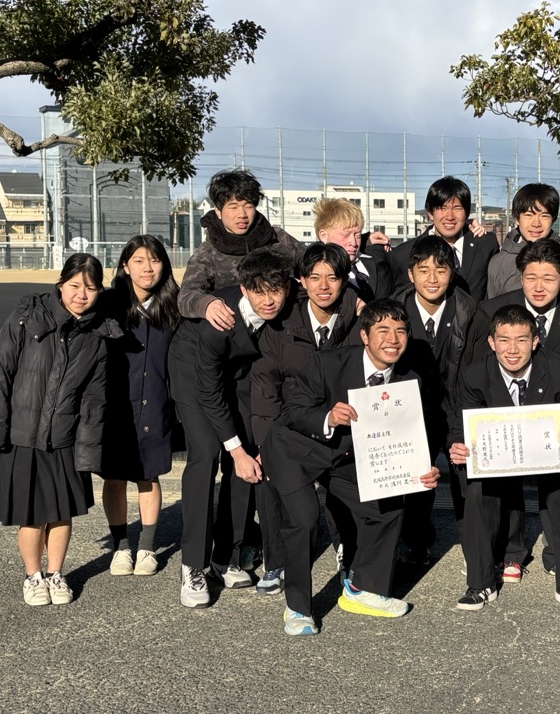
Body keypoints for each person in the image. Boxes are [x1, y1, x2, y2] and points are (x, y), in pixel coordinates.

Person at [262, 299, 442, 636]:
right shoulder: (327, 362)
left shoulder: (409, 380)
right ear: (364, 335)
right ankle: (298, 608)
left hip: (348, 459)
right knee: (304, 519)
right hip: (296, 451)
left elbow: (406, 434)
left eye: (401, 331)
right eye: (383, 331)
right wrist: (328, 417)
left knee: (389, 506)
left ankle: (363, 589)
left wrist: (422, 468)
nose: (393, 339)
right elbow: (292, 410)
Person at [0, 254, 122, 606]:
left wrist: (87, 449)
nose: (81, 294)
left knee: (60, 512)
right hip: (21, 437)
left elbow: (94, 401)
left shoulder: (97, 336)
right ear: (61, 286)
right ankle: (33, 576)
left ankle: (56, 574)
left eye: (90, 288)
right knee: (30, 515)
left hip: (64, 439)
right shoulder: (28, 317)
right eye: (74, 286)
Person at [448, 305, 560, 612]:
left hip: (548, 453)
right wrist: (457, 446)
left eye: (521, 340)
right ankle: (480, 583)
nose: (512, 349)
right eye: (504, 340)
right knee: (476, 490)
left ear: (535, 341)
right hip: (498, 455)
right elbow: (459, 424)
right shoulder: (474, 374)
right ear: (491, 343)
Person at [168, 248, 294, 608]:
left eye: (276, 290)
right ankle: (193, 564)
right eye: (259, 292)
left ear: (287, 287)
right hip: (194, 374)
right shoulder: (220, 319)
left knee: (249, 453)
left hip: (236, 374)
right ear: (243, 289)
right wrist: (233, 449)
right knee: (208, 453)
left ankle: (228, 556)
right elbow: (209, 393)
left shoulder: (288, 301)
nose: (268, 300)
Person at [475, 238, 560, 581]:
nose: (539, 286)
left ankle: (559, 550)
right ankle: (511, 552)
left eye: (548, 278)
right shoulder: (493, 310)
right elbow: (482, 370)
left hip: (558, 414)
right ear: (520, 277)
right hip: (507, 412)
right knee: (506, 485)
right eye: (531, 277)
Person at [251, 242, 363, 594]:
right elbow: (266, 390)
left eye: (332, 277)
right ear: (301, 280)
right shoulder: (280, 327)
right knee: (271, 481)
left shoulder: (359, 322)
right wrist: (265, 446)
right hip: (292, 428)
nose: (323, 286)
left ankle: (348, 554)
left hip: (343, 428)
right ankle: (277, 561)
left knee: (348, 486)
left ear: (345, 280)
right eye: (314, 277)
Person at [390, 235, 479, 565]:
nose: (432, 278)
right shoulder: (393, 312)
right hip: (411, 408)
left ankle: (475, 547)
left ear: (452, 274)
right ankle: (416, 542)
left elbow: (477, 370)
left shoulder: (470, 313)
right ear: (410, 274)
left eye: (440, 270)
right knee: (415, 478)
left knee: (466, 478)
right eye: (423, 270)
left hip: (457, 405)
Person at [98, 235, 180, 577]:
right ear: (125, 266)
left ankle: (146, 546)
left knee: (149, 474)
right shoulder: (108, 305)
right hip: (115, 406)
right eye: (139, 261)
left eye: (155, 260)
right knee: (115, 477)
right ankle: (121, 545)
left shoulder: (174, 307)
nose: (148, 268)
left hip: (157, 403)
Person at [177, 168, 303, 331]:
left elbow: (313, 264)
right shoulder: (208, 253)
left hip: (284, 328)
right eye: (233, 206)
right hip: (236, 333)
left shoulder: (278, 238)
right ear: (218, 211)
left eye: (248, 206)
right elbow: (186, 296)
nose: (242, 214)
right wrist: (207, 305)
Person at [389, 176, 499, 302]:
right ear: (430, 213)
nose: (450, 216)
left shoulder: (486, 245)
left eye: (457, 208)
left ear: (467, 212)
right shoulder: (404, 254)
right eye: (442, 208)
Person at [486, 182, 560, 298]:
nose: (536, 224)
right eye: (529, 215)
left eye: (544, 216)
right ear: (516, 218)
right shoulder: (499, 263)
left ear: (554, 218)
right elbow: (494, 305)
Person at [315, 197, 394, 301]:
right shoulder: (312, 272)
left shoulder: (378, 258)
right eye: (345, 235)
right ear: (323, 236)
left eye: (358, 235)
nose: (353, 243)